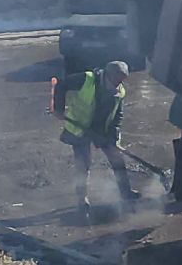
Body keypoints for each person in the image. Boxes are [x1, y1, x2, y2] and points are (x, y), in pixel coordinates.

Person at [53, 59, 140, 212]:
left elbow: (117, 115)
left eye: (122, 80)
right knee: (83, 163)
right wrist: (58, 108)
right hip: (80, 128)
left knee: (117, 158)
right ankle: (82, 198)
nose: (120, 84)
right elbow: (61, 85)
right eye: (118, 80)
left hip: (102, 129)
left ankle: (125, 192)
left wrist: (113, 135)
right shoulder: (86, 79)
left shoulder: (120, 90)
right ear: (109, 74)